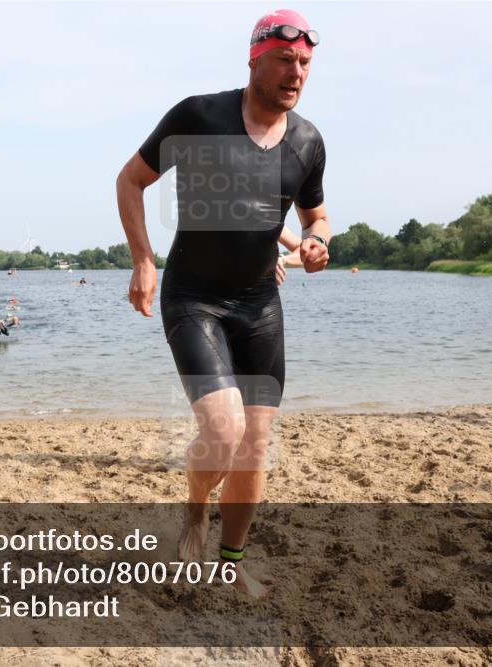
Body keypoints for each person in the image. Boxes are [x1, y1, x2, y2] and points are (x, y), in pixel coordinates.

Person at [116, 9, 329, 597]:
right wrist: (143, 259)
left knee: (256, 444)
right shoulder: (199, 116)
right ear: (256, 59)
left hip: (259, 304)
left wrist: (317, 242)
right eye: (285, 61)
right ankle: (193, 515)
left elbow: (315, 214)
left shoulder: (308, 141)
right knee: (223, 427)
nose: (296, 73)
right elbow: (129, 181)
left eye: (305, 64)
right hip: (195, 299)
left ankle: (230, 566)